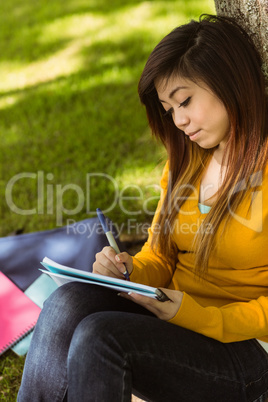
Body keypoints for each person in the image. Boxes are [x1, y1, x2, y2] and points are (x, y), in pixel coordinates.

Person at [17, 14, 268, 401]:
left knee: (101, 338)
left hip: (246, 348)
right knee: (67, 301)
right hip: (178, 319)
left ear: (229, 82)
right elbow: (160, 255)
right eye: (169, 109)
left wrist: (195, 314)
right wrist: (130, 269)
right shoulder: (188, 162)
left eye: (185, 101)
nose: (179, 121)